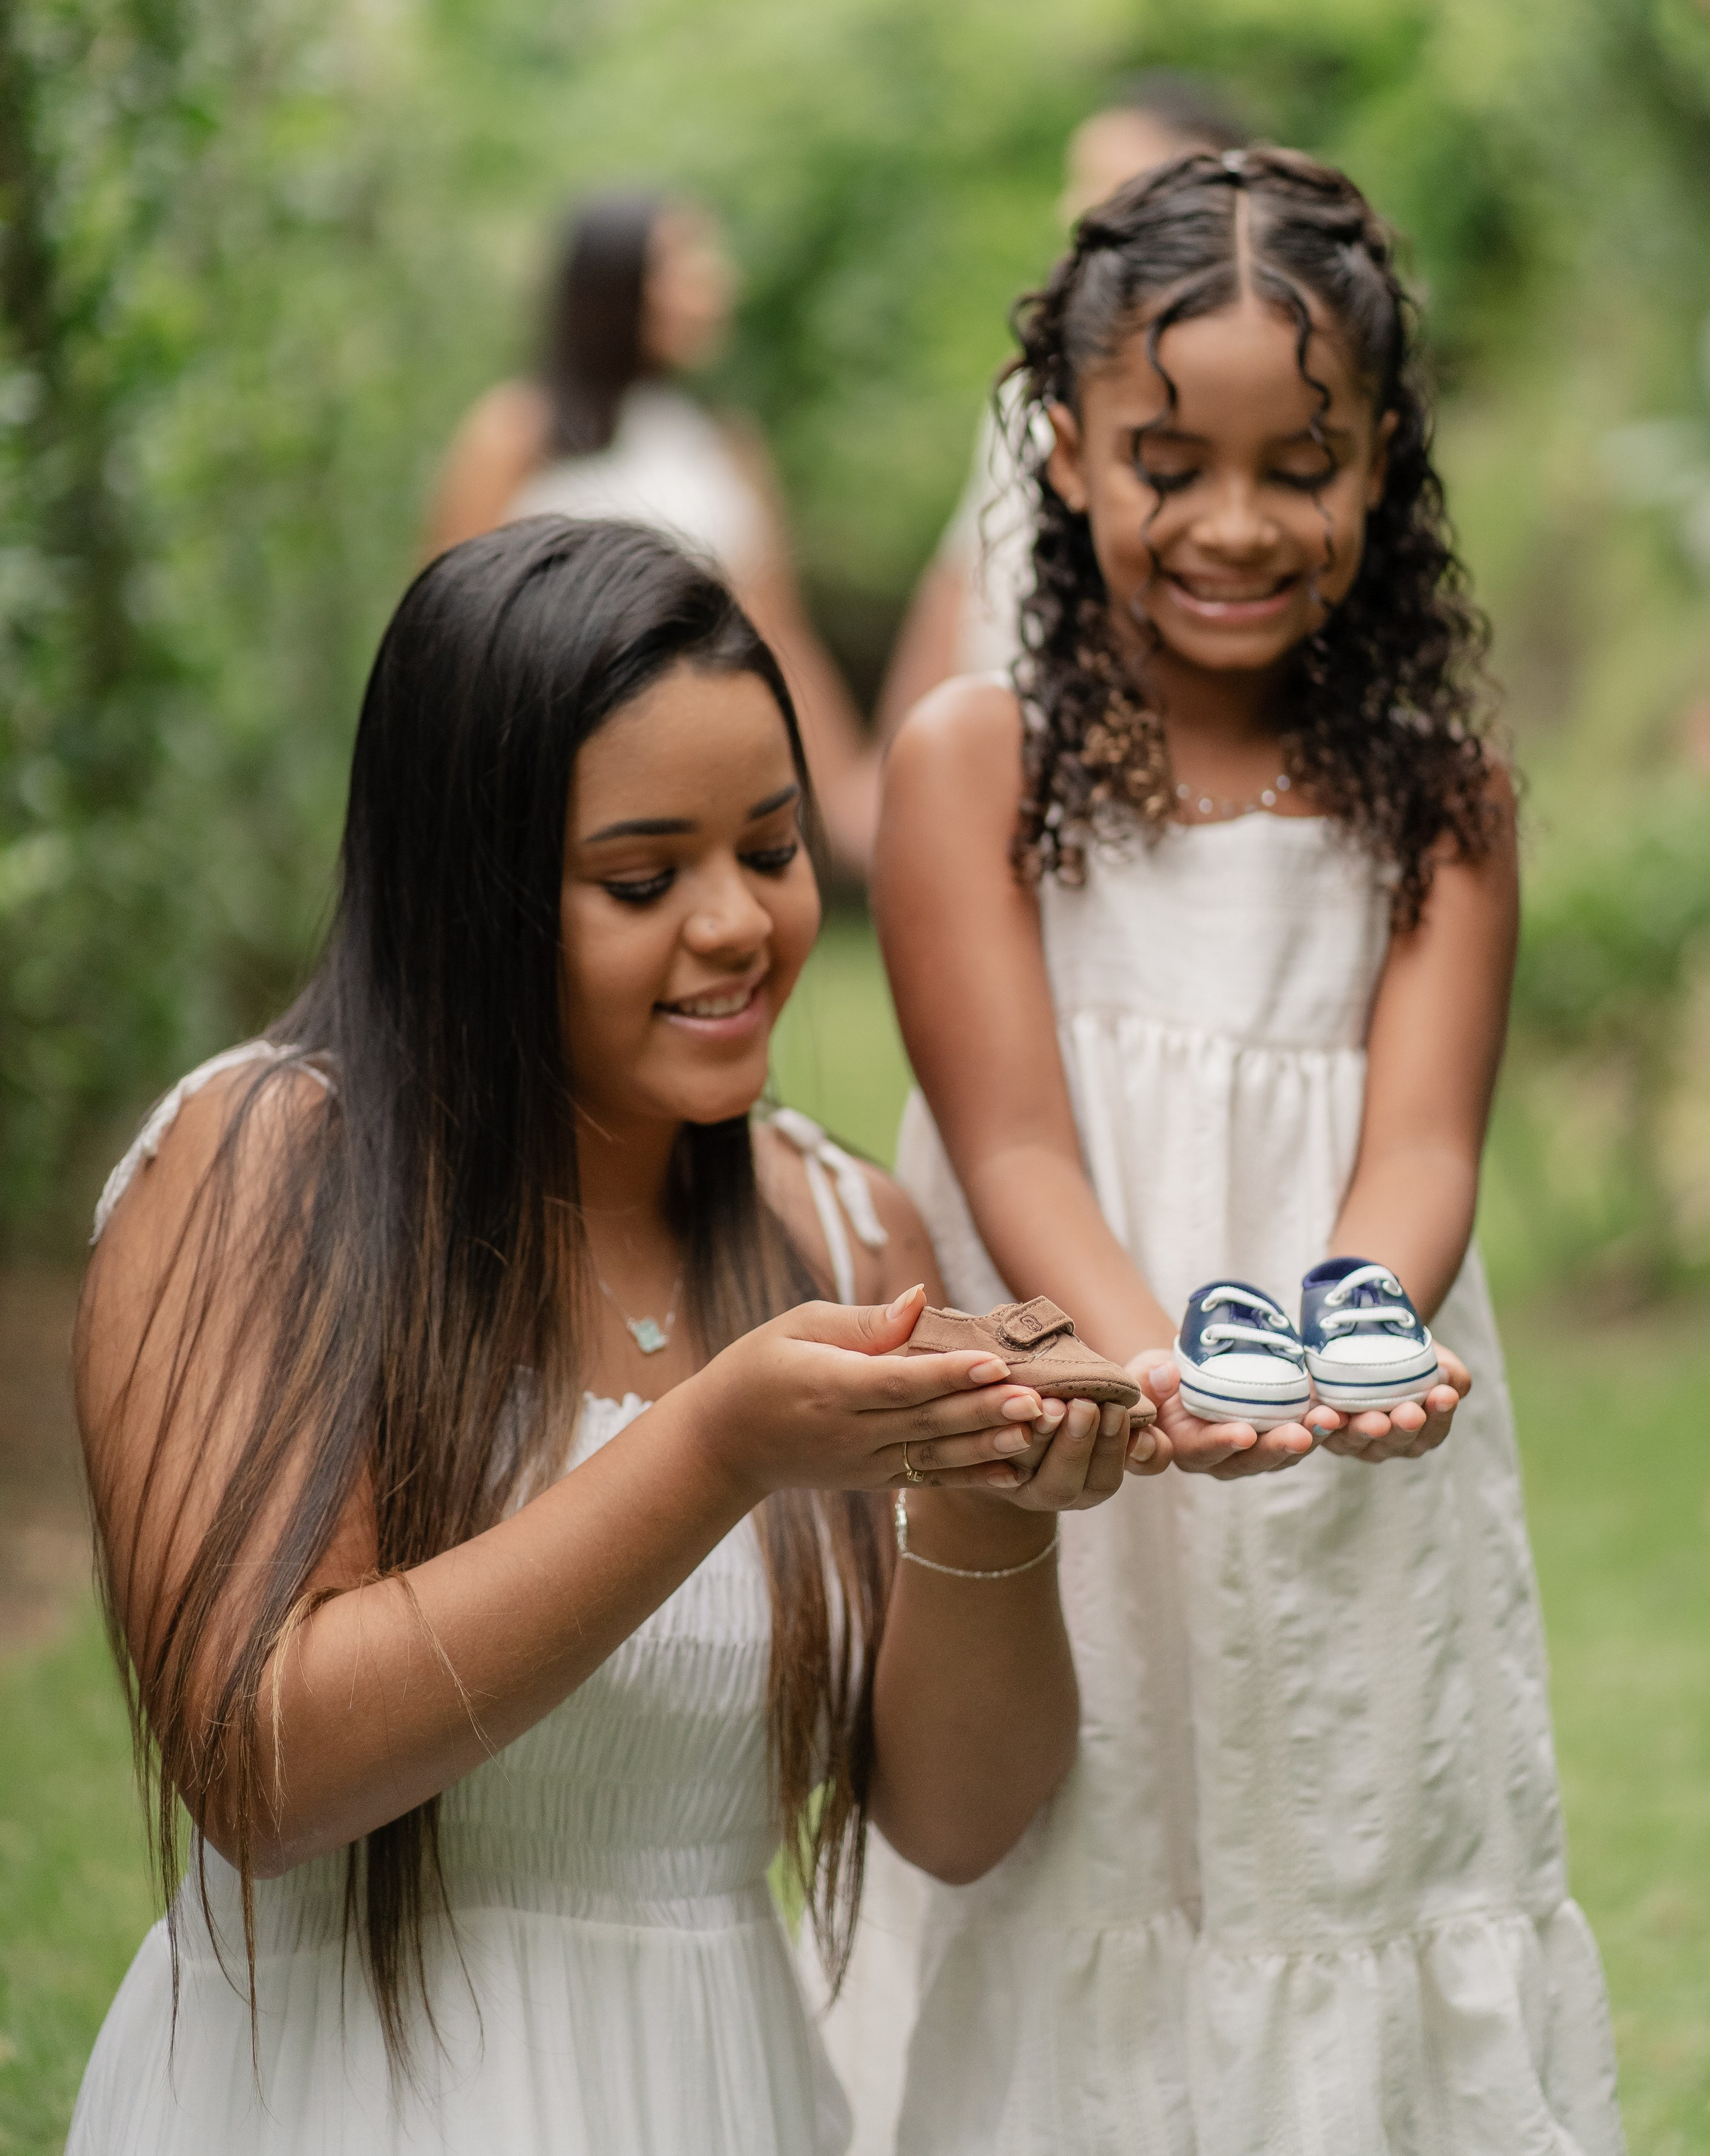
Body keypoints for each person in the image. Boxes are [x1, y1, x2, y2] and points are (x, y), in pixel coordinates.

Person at [68, 518, 1158, 2156]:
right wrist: (713, 1446)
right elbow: (262, 1767)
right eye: (640, 878)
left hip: (710, 2089)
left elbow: (951, 1817)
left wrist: (994, 1502)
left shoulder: (841, 1227)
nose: (735, 924)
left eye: (773, 849)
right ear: (467, 886)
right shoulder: (264, 1165)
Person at [870, 152, 1623, 2151]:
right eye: (1163, 457)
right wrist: (1163, 1373)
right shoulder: (975, 760)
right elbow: (1012, 1144)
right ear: (1064, 452)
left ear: (1381, 465)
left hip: (1351, 1463)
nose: (1230, 522)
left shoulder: (1441, 799)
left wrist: (1334, 1325)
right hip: (1088, 1417)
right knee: (1103, 1856)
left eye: (1300, 463)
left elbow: (1423, 1142)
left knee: (1344, 1847)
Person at [425, 194, 878, 871]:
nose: (714, 282)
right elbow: (447, 636)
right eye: (682, 263)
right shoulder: (513, 435)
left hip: (695, 775)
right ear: (610, 284)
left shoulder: (726, 446)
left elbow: (779, 634)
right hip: (542, 774)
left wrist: (851, 799)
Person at [876, 74, 1252, 731]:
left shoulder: (1244, 398)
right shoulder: (1030, 386)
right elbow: (961, 572)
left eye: (1108, 188)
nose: (1074, 214)